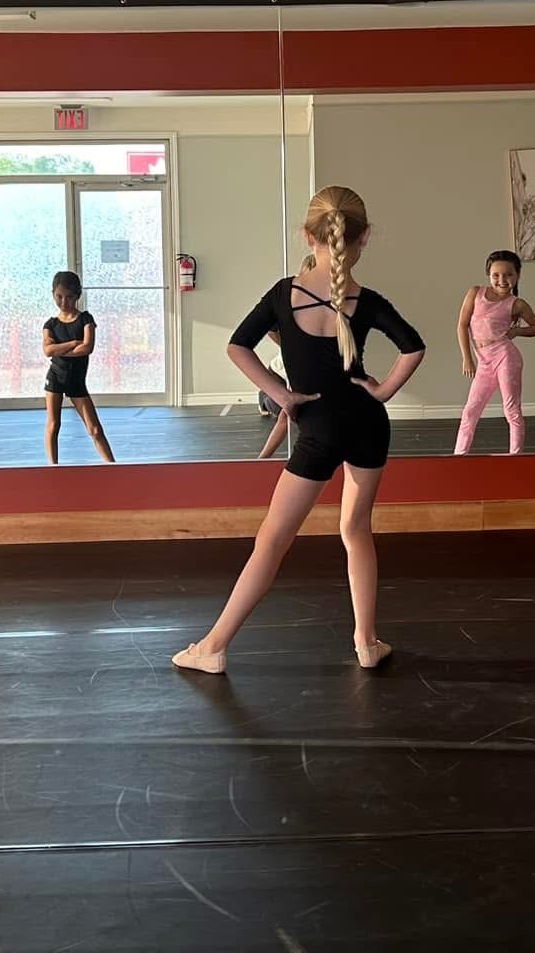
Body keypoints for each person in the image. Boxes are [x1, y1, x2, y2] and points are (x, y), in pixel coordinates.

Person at [173, 187, 426, 674]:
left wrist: (283, 395)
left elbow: (238, 346)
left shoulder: (283, 295)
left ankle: (213, 646)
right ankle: (366, 642)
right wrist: (381, 392)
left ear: (309, 236)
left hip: (319, 430)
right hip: (368, 425)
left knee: (272, 541)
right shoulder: (367, 301)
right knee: (356, 529)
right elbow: (413, 347)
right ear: (364, 238)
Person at [454, 249, 535, 454]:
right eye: (496, 275)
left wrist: (516, 331)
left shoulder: (517, 304)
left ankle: (516, 457)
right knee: (470, 411)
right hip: (483, 361)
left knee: (511, 409)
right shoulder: (475, 293)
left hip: (506, 357)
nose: (502, 280)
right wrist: (467, 358)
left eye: (508, 275)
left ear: (517, 275)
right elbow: (462, 325)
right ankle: (459, 456)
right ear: (489, 275)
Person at [44, 271, 115, 464]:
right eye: (59, 296)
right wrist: (73, 343)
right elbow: (48, 350)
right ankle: (53, 467)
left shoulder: (86, 319)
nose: (64, 301)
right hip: (55, 377)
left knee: (95, 429)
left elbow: (87, 347)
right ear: (53, 294)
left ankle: (112, 466)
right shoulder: (51, 324)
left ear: (77, 296)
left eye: (69, 297)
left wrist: (60, 349)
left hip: (76, 381)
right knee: (53, 425)